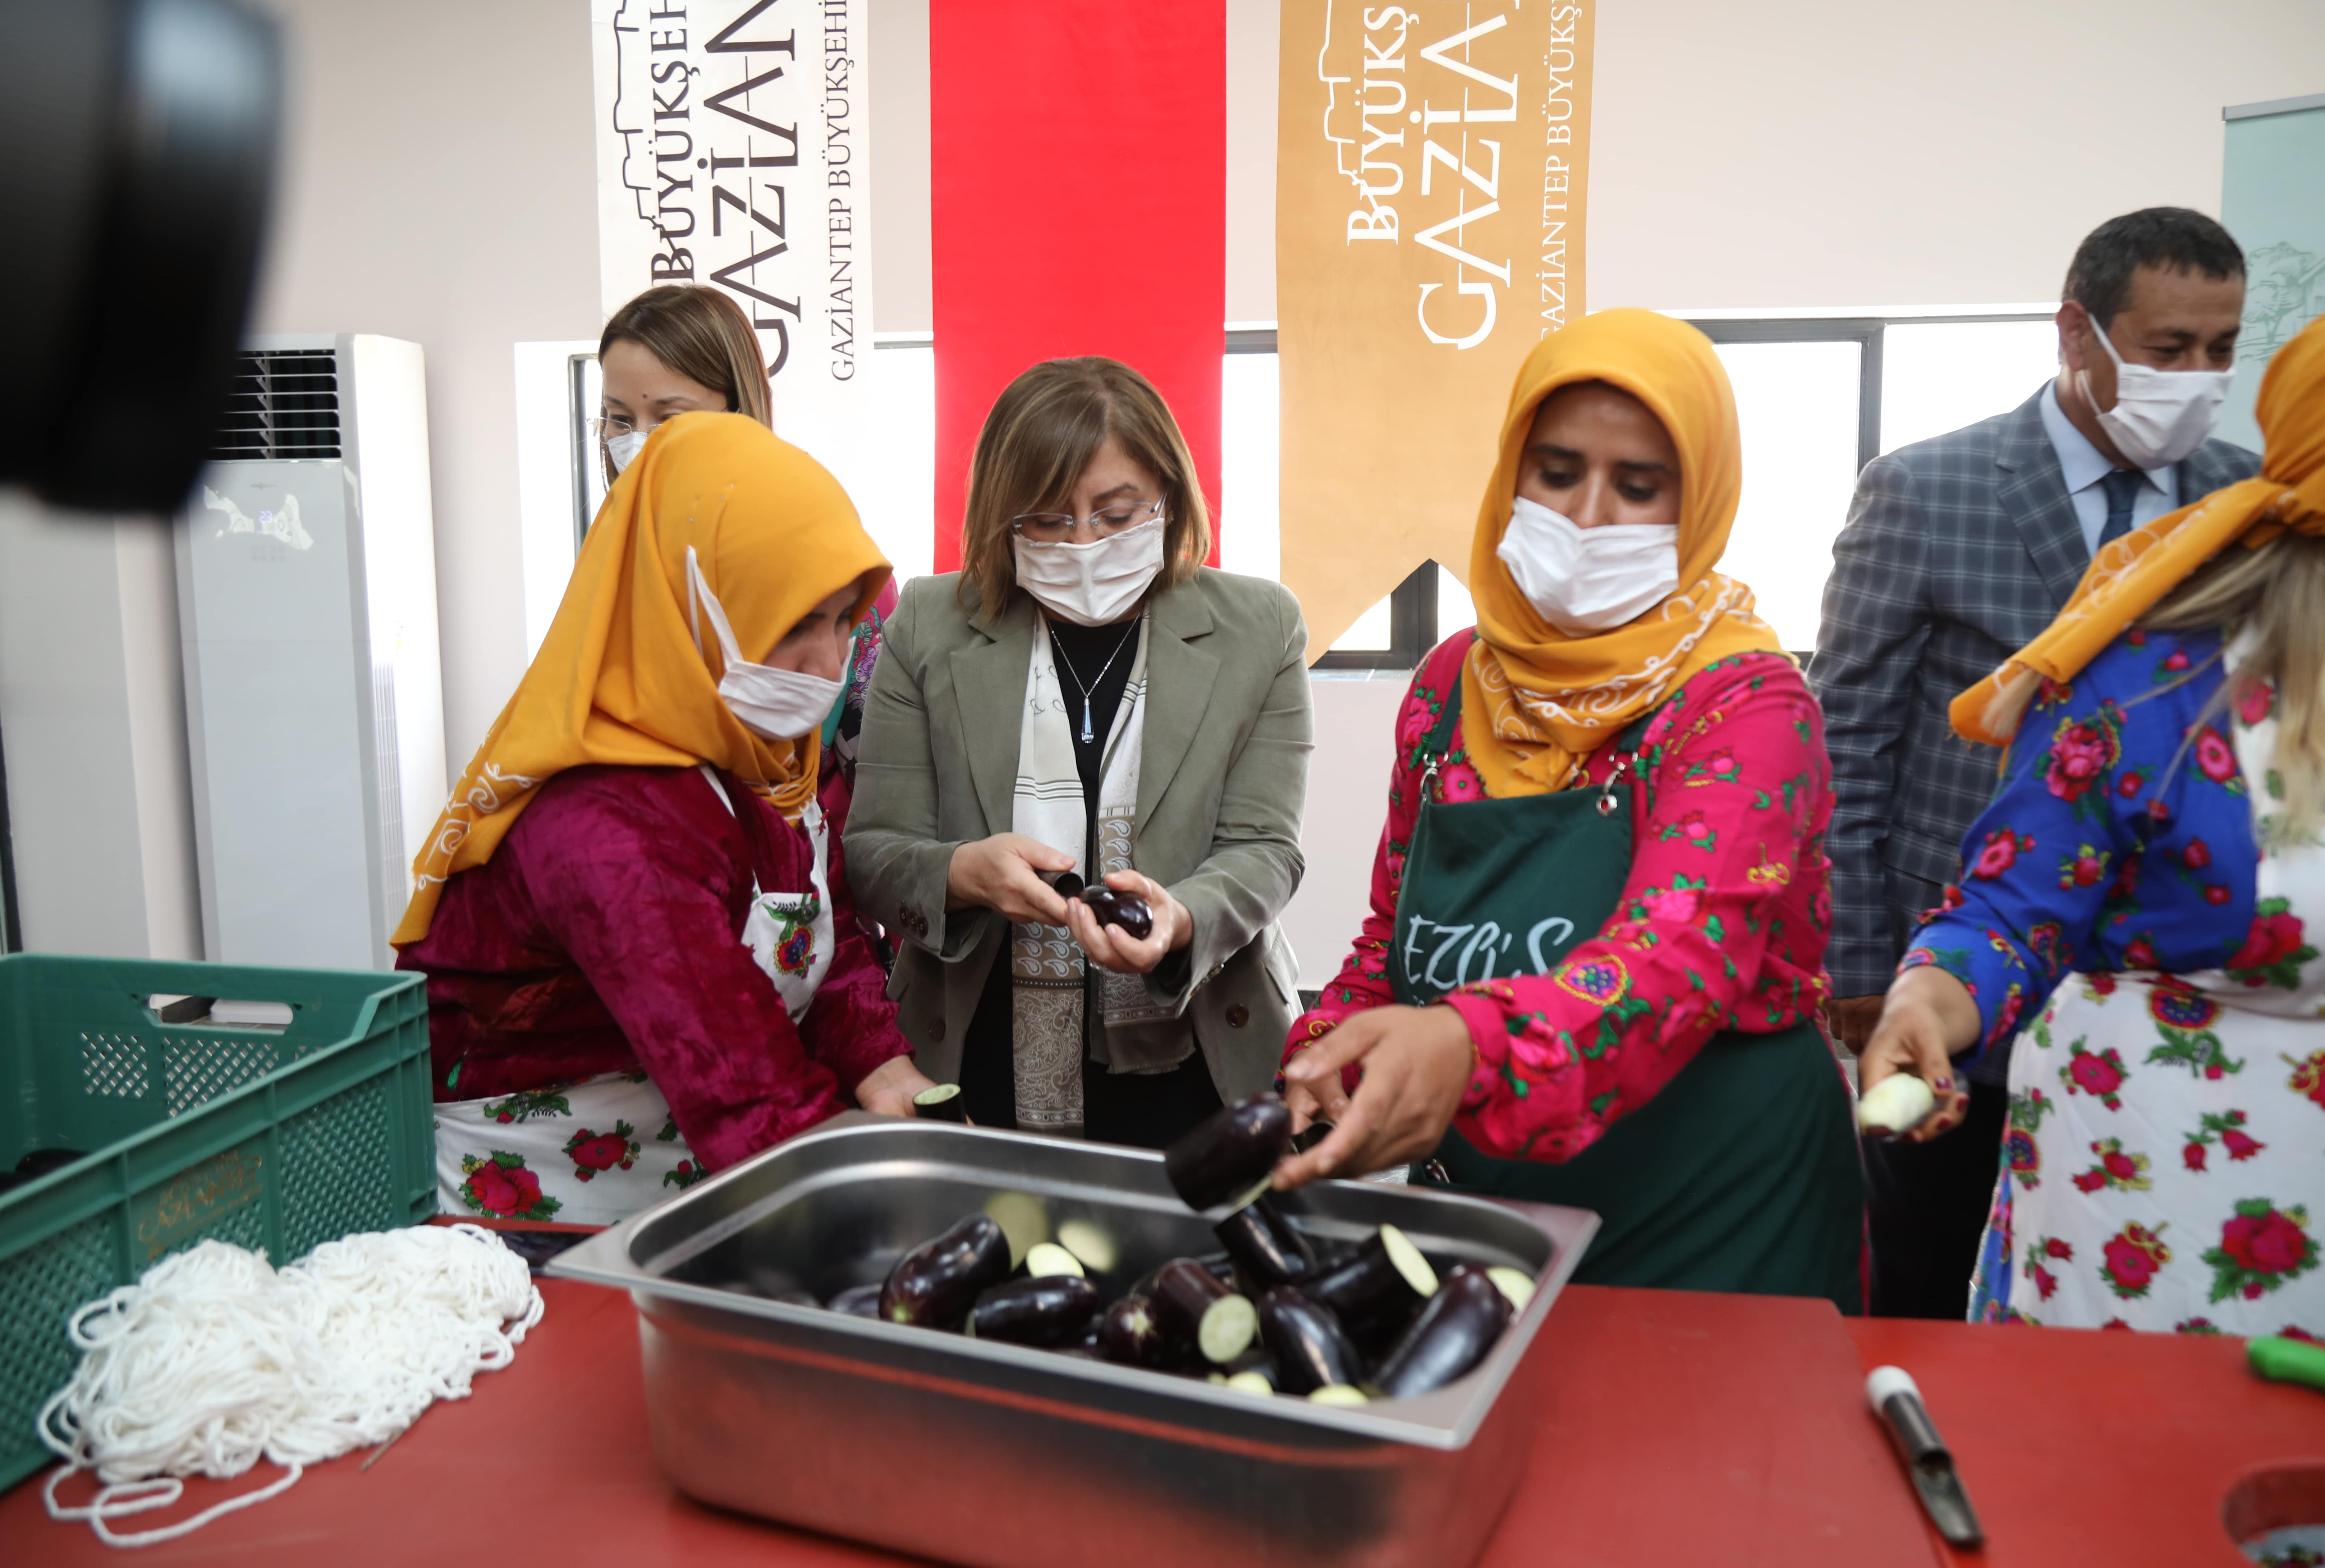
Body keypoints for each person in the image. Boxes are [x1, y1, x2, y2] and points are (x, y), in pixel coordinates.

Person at [1271, 310, 1861, 1308]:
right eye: (1556, 472)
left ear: (1698, 502)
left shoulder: (1747, 706)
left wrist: (1464, 1044)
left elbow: (1676, 959)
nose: (1589, 515)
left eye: (1639, 486)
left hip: (1716, 1208)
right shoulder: (1453, 682)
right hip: (1490, 1203)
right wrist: (1332, 1049)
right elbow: (1397, 936)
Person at [1811, 207, 2260, 1317]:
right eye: (2167, 349)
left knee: (2124, 1287)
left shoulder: (2248, 506)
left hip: (2164, 1008)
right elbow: (1849, 741)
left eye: (2220, 351)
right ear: (2076, 333)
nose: (2195, 381)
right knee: (1919, 1275)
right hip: (1954, 963)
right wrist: (1862, 967)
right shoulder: (1928, 489)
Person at [393, 412, 934, 1223]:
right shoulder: (605, 823)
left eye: (840, 622)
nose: (828, 666)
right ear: (691, 605)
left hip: (690, 1159)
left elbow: (821, 938)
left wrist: (879, 1060)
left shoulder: (761, 751)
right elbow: (739, 1085)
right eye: (794, 625)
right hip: (537, 1198)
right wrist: (906, 1215)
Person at [844, 357, 1310, 1147]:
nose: (1085, 541)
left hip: (1199, 1053)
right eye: (1049, 521)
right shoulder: (928, 624)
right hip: (979, 1054)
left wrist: (1179, 918)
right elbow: (873, 852)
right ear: (1002, 517)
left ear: (1169, 498)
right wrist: (964, 874)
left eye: (1116, 514)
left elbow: (1265, 849)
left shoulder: (1258, 627)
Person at [595, 284, 898, 785]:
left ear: (740, 413)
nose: (641, 445)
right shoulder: (605, 574)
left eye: (671, 420)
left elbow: (879, 782)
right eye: (621, 420)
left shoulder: (833, 572)